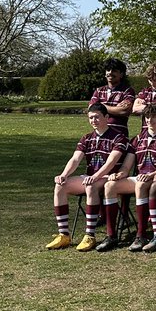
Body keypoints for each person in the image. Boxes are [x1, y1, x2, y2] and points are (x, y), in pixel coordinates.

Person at [45, 103, 128, 252]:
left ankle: (90, 235)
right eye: (91, 118)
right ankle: (64, 234)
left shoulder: (118, 137)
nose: (93, 120)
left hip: (109, 178)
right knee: (60, 186)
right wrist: (64, 174)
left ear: (107, 117)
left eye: (97, 117)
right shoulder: (87, 138)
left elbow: (111, 162)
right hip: (91, 177)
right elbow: (75, 159)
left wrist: (96, 176)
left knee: (90, 186)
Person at [102, 103, 156, 252]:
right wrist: (120, 174)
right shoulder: (137, 139)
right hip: (140, 178)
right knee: (109, 185)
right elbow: (127, 166)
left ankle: (141, 235)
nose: (149, 120)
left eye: (153, 116)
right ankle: (111, 235)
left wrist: (150, 175)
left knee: (140, 184)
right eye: (147, 117)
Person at [89, 58, 135, 133]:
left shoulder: (127, 91)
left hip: (119, 134)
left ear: (121, 74)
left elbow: (124, 111)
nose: (110, 73)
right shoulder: (99, 91)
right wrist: (116, 109)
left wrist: (100, 106)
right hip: (100, 134)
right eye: (108, 70)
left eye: (114, 71)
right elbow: (91, 109)